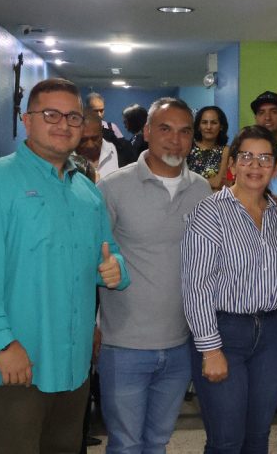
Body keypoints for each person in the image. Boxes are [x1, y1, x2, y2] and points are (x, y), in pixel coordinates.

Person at [0, 78, 131, 454]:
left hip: (73, 363)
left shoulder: (86, 191)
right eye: (51, 114)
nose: (63, 124)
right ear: (26, 119)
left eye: (73, 117)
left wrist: (117, 268)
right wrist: (2, 343)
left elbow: (108, 252)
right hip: (17, 362)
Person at [97, 98, 212, 454]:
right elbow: (93, 256)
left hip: (180, 344)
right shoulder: (113, 187)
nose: (175, 140)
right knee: (126, 444)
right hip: (124, 345)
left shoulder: (202, 190)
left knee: (158, 442)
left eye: (184, 132)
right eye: (165, 129)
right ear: (146, 132)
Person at [182, 126, 277, 454]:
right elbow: (196, 286)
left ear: (276, 168)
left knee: (258, 436)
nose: (255, 165)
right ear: (232, 165)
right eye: (246, 157)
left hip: (272, 334)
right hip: (225, 333)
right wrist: (210, 349)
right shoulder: (209, 212)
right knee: (226, 440)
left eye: (265, 158)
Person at [187, 105, 230, 190]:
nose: (209, 127)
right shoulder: (188, 146)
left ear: (221, 126)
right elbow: (180, 179)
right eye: (204, 122)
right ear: (198, 126)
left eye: (214, 123)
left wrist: (192, 182)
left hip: (213, 198)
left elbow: (218, 183)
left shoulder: (226, 150)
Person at [76, 112, 120, 180]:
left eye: (95, 138)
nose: (90, 145)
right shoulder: (67, 159)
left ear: (102, 131)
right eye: (83, 140)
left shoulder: (120, 151)